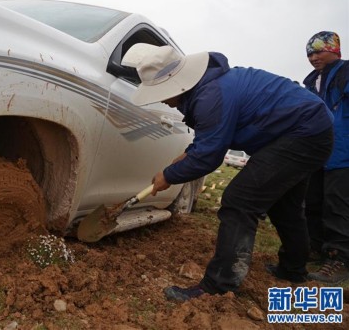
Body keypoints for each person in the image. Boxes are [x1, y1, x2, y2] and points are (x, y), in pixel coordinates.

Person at [120, 44, 333, 301]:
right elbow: (210, 139)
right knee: (283, 204)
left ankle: (219, 285)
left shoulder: (211, 96)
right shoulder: (210, 88)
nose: (162, 99)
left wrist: (168, 175)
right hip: (311, 129)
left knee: (239, 201)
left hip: (302, 133)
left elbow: (209, 157)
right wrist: (188, 155)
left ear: (176, 84)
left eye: (161, 92)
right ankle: (293, 269)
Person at [303, 31, 349, 283]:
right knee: (313, 203)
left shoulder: (345, 72)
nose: (313, 57)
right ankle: (316, 248)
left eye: (319, 51)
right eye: (309, 53)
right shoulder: (311, 81)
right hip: (318, 153)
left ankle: (339, 258)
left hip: (344, 153)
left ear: (334, 50)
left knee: (337, 206)